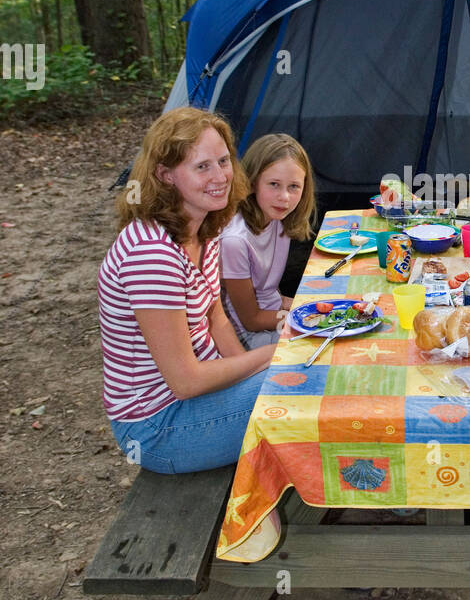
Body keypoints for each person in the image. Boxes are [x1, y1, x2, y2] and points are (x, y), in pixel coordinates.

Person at [98, 107, 276, 478]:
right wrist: (274, 355)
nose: (220, 177)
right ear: (165, 176)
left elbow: (216, 318)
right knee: (303, 381)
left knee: (305, 368)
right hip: (157, 427)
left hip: (198, 401)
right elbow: (186, 381)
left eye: (224, 161)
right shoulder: (152, 256)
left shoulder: (202, 229)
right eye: (202, 167)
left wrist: (252, 368)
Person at [221, 133, 315, 348]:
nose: (284, 197)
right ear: (252, 182)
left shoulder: (276, 219)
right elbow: (251, 320)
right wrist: (305, 315)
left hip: (273, 317)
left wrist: (303, 304)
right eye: (274, 184)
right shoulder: (234, 241)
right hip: (246, 338)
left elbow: (268, 292)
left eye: (294, 186)